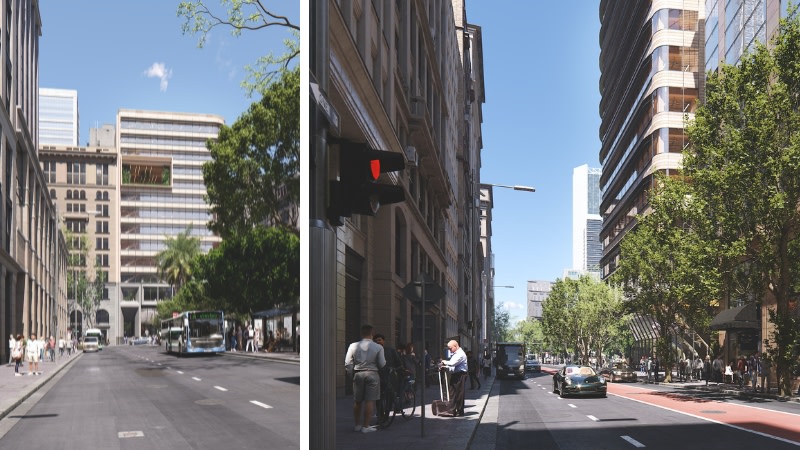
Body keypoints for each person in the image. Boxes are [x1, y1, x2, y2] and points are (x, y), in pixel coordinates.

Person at [344, 324, 386, 434]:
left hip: (358, 373)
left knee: (357, 401)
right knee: (369, 400)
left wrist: (351, 375)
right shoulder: (378, 347)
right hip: (372, 373)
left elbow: (348, 363)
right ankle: (366, 426)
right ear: (372, 334)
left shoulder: (353, 346)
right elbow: (382, 364)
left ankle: (357, 425)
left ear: (362, 333)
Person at [373, 333, 403, 415]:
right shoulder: (373, 352)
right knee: (378, 398)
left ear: (383, 341)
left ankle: (387, 411)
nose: (378, 342)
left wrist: (396, 369)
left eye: (379, 340)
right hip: (378, 377)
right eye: (375, 341)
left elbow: (399, 363)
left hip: (390, 377)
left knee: (389, 395)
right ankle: (380, 414)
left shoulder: (391, 350)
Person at [440, 340, 468, 416]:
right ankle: (452, 410)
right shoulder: (455, 354)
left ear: (455, 346)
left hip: (460, 375)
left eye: (450, 348)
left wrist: (444, 362)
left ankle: (459, 411)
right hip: (456, 374)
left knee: (459, 393)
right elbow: (453, 366)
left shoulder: (460, 354)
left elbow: (452, 363)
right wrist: (445, 367)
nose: (449, 350)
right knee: (453, 392)